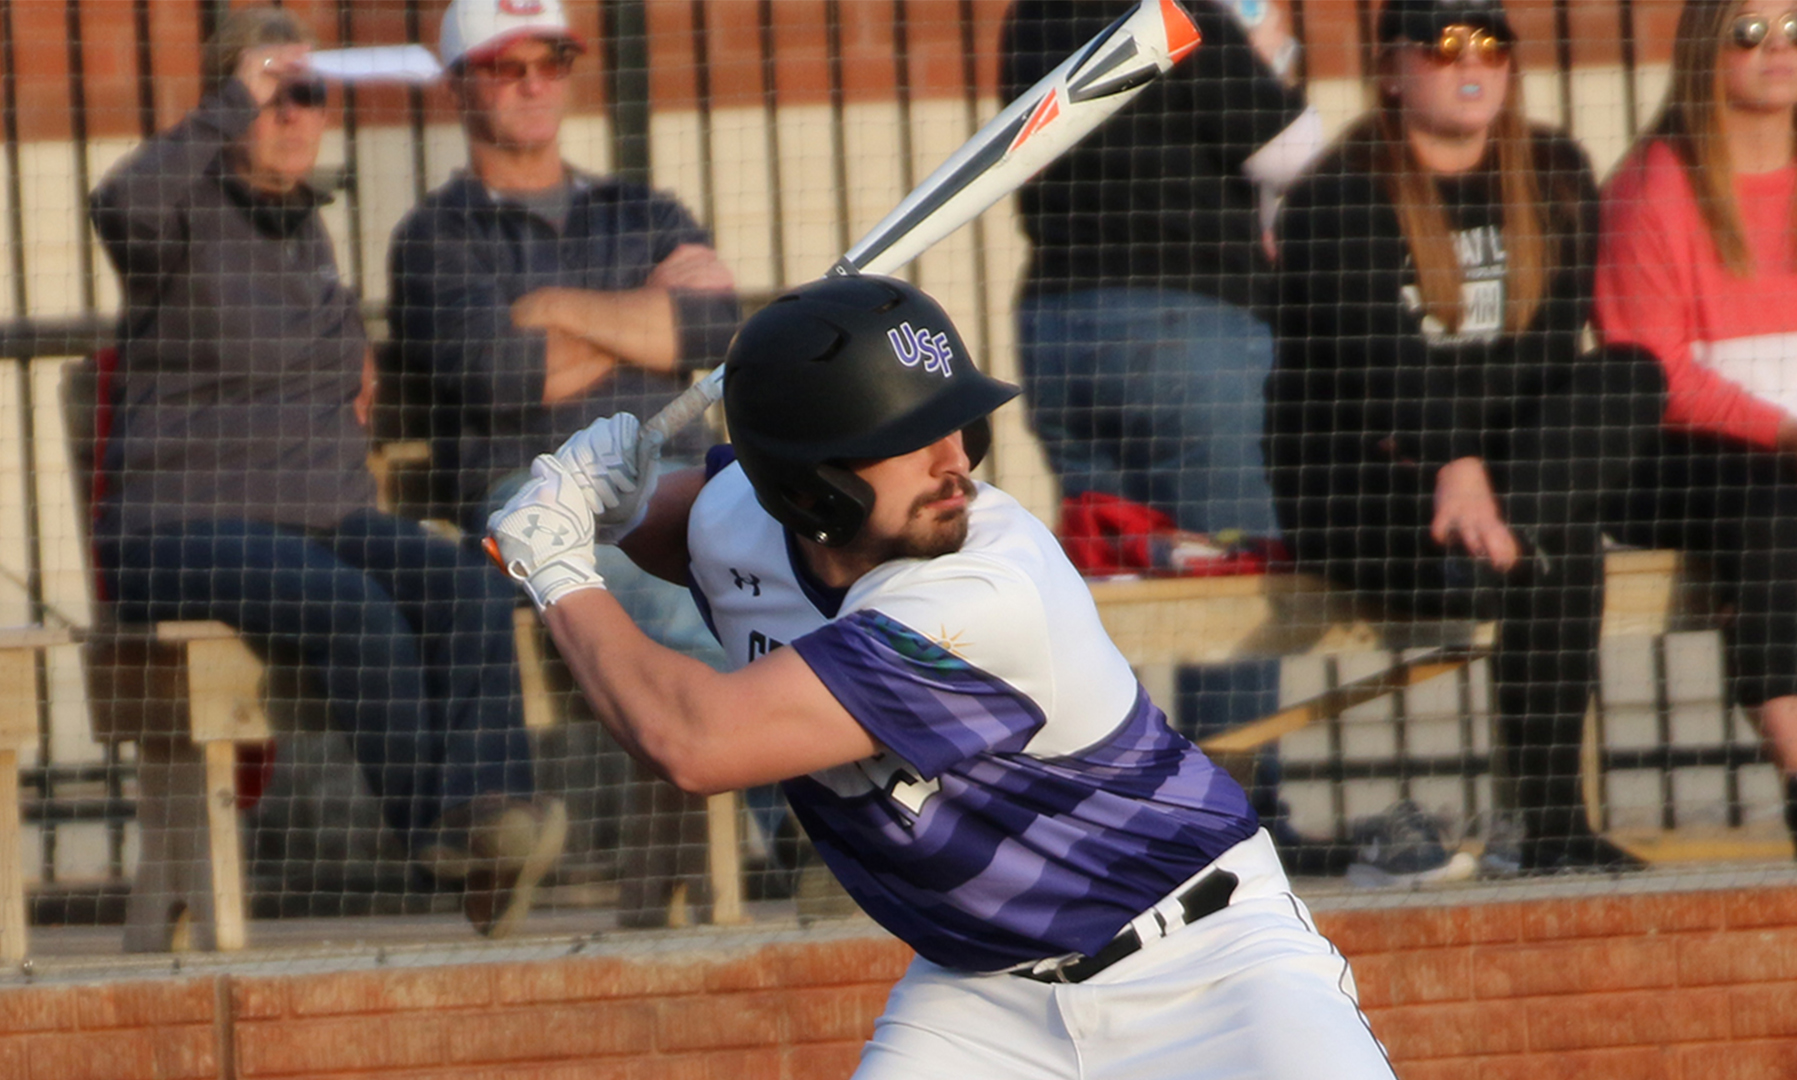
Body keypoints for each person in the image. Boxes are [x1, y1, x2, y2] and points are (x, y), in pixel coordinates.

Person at [488, 274, 1399, 1080]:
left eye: (959, 424)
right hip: (981, 1001)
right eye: (908, 438)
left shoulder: (984, 589)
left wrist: (560, 566)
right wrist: (599, 498)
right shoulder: (741, 512)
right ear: (810, 486)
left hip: (1209, 970)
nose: (954, 460)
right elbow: (681, 520)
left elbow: (693, 742)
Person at [87, 7, 562, 938]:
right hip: (172, 531)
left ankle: (489, 818)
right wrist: (237, 96)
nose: (297, 113)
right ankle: (440, 835)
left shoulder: (304, 228)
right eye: (275, 95)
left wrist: (356, 360)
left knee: (469, 583)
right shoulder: (178, 214)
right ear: (230, 103)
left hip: (317, 520)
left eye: (311, 93)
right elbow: (119, 204)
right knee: (353, 606)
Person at [1265, 0, 1666, 873]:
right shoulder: (1337, 195)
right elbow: (1378, 359)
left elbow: (1550, 359)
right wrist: (1452, 461)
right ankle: (1552, 829)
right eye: (1443, 45)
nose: (1469, 59)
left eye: (1491, 42)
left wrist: (1491, 489)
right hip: (1364, 485)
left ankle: (1551, 829)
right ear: (1392, 71)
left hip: (1495, 493)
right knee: (1556, 540)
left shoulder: (1554, 171)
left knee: (1630, 373)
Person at [387, 0, 744, 923]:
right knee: (680, 601)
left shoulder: (643, 205)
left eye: (552, 62)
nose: (537, 84)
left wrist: (551, 305)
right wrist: (640, 318)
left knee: (811, 561)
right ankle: (822, 834)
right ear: (461, 85)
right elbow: (500, 379)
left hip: (679, 473)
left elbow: (712, 329)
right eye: (509, 67)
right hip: (540, 496)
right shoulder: (436, 237)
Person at [1593, 0, 1797, 858]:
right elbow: (1652, 371)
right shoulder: (1651, 188)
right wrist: (1792, 436)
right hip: (1686, 454)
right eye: (1749, 33)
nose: (1778, 50)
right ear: (1707, 49)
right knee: (1765, 508)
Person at [998, 0, 1317, 555]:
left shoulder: (1032, 13)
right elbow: (1294, 155)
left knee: (1111, 570)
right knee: (1228, 574)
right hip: (1184, 319)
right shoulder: (1179, 11)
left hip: (1056, 322)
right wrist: (1267, 64)